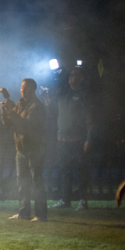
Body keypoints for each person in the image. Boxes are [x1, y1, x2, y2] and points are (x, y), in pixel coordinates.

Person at [1, 78, 48, 221]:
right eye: (22, 87)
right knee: (22, 182)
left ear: (33, 89)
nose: (22, 90)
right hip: (21, 149)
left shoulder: (37, 106)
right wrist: (5, 112)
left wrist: (12, 113)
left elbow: (26, 125)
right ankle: (23, 213)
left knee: (36, 182)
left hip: (35, 149)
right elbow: (9, 124)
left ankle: (40, 214)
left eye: (26, 87)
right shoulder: (20, 104)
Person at [48, 67, 94, 210]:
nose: (71, 77)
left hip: (77, 141)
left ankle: (83, 201)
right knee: (64, 171)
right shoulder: (64, 94)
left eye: (75, 75)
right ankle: (65, 200)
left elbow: (90, 119)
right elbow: (52, 110)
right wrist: (46, 98)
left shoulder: (84, 95)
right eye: (70, 75)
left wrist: (89, 138)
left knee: (81, 172)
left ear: (82, 78)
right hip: (62, 141)